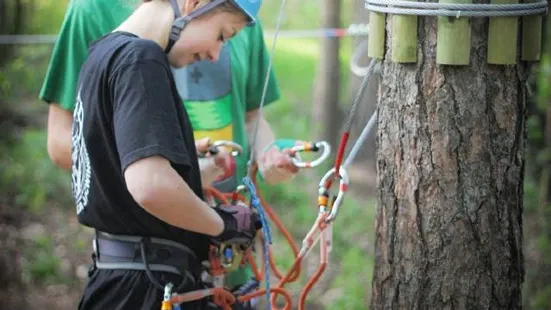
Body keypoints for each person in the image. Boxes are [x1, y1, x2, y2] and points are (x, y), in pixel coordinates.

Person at [39, 0, 300, 309]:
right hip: (147, 285)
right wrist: (221, 225)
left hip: (115, 279)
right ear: (194, 3)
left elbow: (113, 166)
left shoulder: (103, 53)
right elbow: (150, 186)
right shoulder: (142, 58)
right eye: (222, 34)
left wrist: (189, 168)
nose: (216, 55)